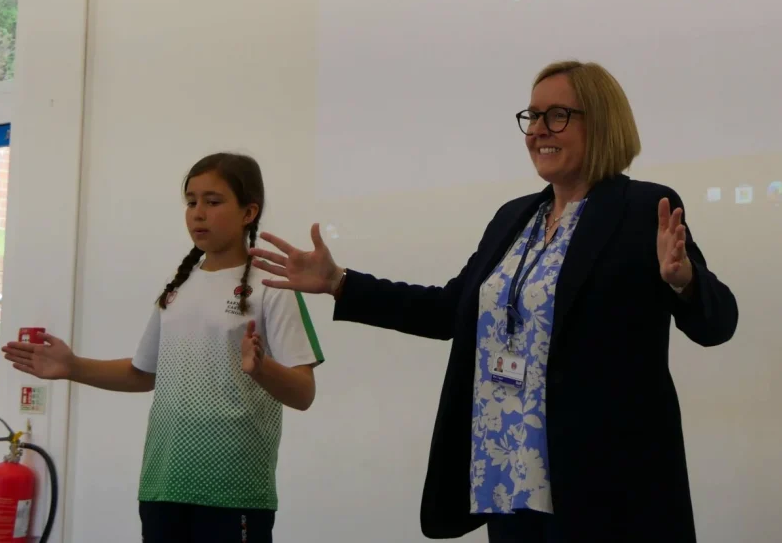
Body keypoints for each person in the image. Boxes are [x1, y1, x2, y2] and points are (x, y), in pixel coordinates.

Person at [251, 61, 738, 543]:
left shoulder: (641, 208)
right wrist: (340, 282)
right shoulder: (515, 217)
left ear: (602, 121)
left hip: (603, 478)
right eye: (532, 116)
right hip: (505, 466)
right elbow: (448, 311)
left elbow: (718, 323)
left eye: (557, 115)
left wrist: (684, 281)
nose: (538, 131)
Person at [2, 153, 325, 543]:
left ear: (248, 212)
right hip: (162, 485)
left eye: (213, 201)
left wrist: (261, 369)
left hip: (234, 491)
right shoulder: (177, 289)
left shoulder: (272, 288)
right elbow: (143, 373)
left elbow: (304, 393)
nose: (198, 213)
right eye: (191, 202)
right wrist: (72, 366)